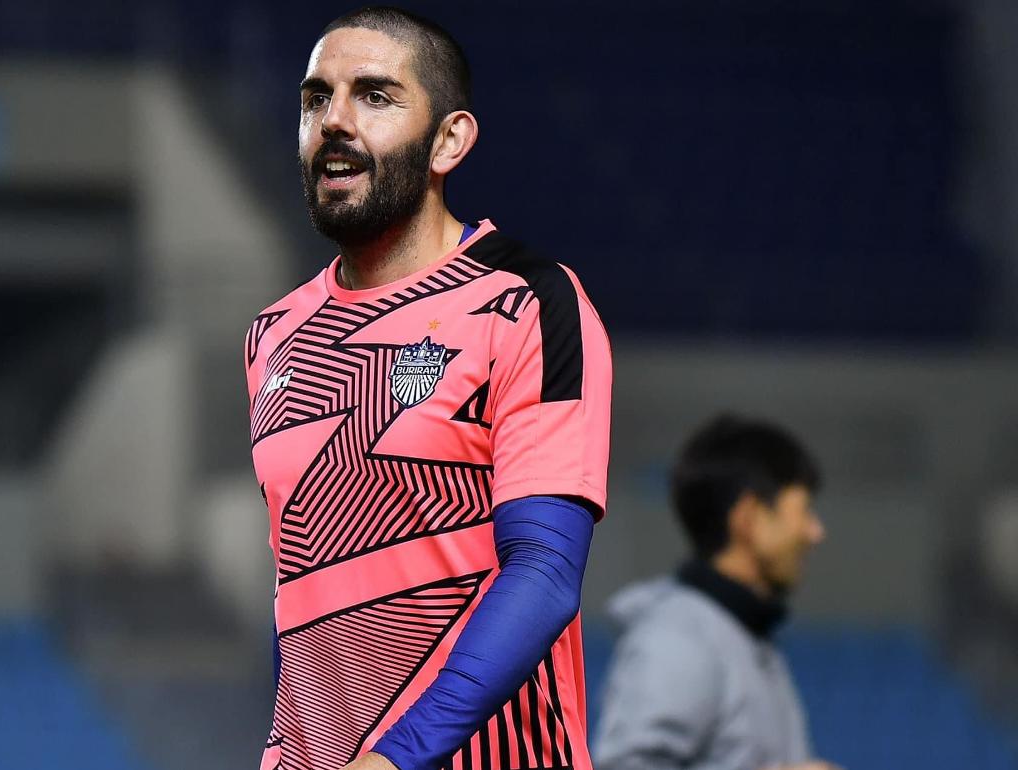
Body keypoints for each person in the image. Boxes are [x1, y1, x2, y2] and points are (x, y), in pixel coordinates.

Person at [243, 7, 612, 770]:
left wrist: (393, 760)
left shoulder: (527, 303)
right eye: (316, 99)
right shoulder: (272, 335)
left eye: (375, 96)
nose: (334, 121)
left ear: (450, 140)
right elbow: (307, 596)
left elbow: (543, 576)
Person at [591, 415, 840, 770]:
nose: (815, 532)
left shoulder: (741, 637)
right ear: (749, 517)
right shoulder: (679, 639)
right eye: (802, 511)